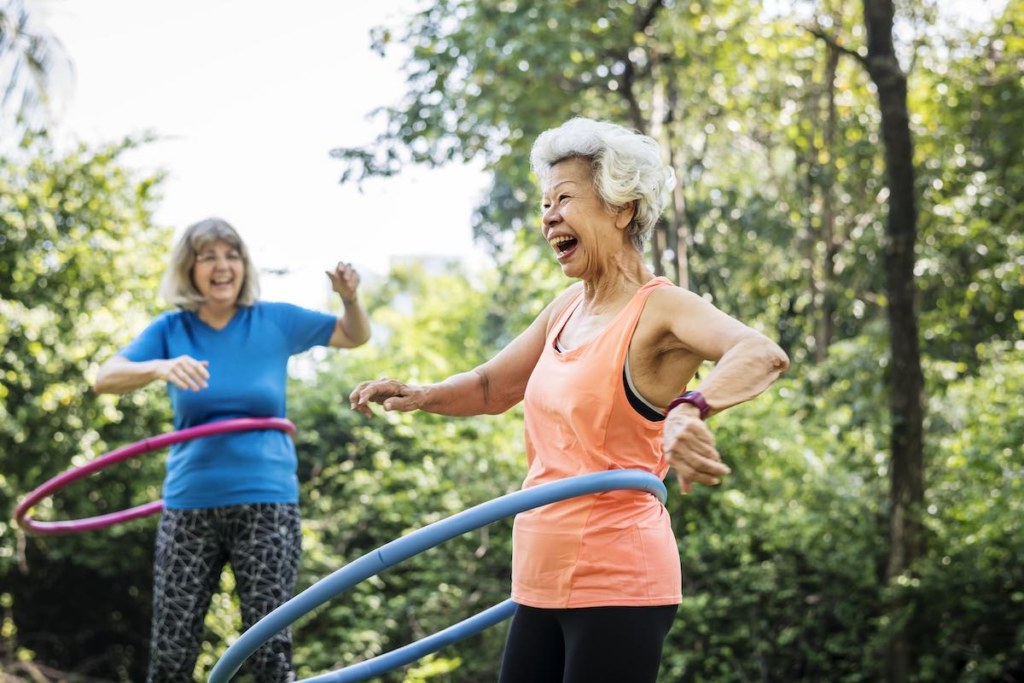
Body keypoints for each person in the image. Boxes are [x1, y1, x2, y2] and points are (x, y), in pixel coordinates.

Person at [349, 117, 790, 683]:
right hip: (537, 579)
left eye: (565, 199)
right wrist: (421, 394)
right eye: (544, 203)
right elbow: (491, 387)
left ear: (622, 207)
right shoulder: (566, 308)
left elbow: (761, 353)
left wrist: (691, 408)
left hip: (618, 579)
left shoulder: (662, 308)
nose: (548, 216)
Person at [93, 217, 370, 682]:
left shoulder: (274, 320)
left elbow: (353, 334)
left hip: (267, 504)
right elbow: (104, 377)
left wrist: (350, 297)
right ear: (190, 268)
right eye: (208, 256)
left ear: (243, 264)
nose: (222, 266)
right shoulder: (171, 330)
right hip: (189, 505)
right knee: (171, 648)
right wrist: (159, 367)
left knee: (267, 650)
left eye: (231, 255)